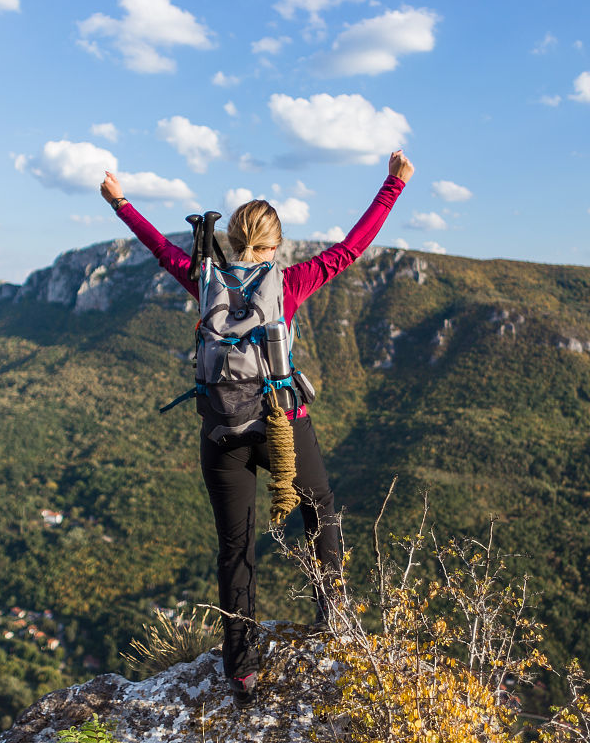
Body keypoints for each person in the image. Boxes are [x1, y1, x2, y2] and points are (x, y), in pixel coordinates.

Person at [100, 150, 413, 705]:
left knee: (235, 547)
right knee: (319, 508)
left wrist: (121, 202)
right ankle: (333, 615)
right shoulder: (289, 284)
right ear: (274, 245)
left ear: (237, 237)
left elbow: (159, 247)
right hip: (280, 424)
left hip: (221, 429)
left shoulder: (203, 278)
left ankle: (241, 669)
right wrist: (392, 185)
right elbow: (351, 248)